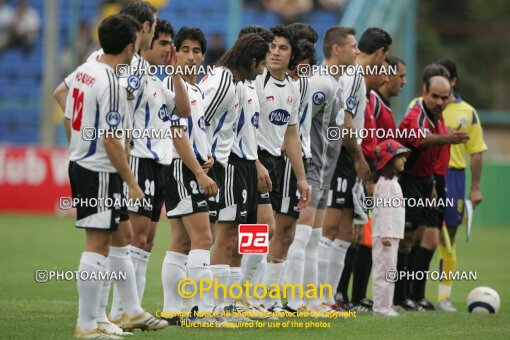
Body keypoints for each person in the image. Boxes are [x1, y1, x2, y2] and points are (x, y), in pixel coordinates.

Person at [60, 14, 159, 338]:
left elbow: (61, 97)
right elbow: (111, 139)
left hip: (87, 163)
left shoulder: (85, 70)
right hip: (100, 169)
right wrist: (132, 183)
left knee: (120, 236)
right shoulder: (112, 83)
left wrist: (75, 143)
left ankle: (106, 316)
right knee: (96, 244)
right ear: (130, 46)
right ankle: (87, 323)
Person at [321, 27, 392, 311]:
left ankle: (331, 297)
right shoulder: (353, 77)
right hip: (341, 157)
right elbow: (345, 124)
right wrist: (359, 159)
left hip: (346, 157)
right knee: (328, 228)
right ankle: (318, 297)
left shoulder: (354, 76)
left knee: (347, 231)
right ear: (381, 53)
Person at [246, 25, 311, 311]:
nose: (274, 51)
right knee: (258, 232)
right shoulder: (256, 80)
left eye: (282, 48)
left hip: (276, 162)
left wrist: (301, 178)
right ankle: (244, 297)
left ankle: (260, 299)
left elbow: (291, 135)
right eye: (271, 46)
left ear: (292, 55)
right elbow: (243, 126)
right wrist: (256, 162)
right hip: (252, 158)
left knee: (270, 233)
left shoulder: (293, 88)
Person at [394, 64, 469, 311]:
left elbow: (436, 154)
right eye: (435, 96)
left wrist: (435, 183)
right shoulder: (414, 116)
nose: (439, 101)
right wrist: (448, 138)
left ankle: (415, 295)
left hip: (428, 183)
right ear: (424, 92)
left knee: (422, 240)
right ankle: (400, 297)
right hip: (409, 183)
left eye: (444, 97)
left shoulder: (438, 118)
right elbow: (421, 141)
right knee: (406, 240)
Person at [160, 26, 221, 325]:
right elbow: (175, 132)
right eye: (185, 50)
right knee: (205, 237)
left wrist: (206, 155)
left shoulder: (196, 90)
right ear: (174, 52)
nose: (191, 56)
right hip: (181, 168)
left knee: (183, 242)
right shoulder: (172, 87)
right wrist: (198, 171)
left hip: (195, 167)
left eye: (197, 51)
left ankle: (174, 310)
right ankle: (204, 309)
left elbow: (196, 131)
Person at [433, 60, 487, 311]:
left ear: (453, 81)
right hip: (425, 176)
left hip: (454, 177)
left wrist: (475, 187)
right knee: (414, 236)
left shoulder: (468, 112)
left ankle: (444, 296)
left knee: (448, 237)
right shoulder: (418, 105)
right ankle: (405, 295)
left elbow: (476, 151)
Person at [371, 139, 409, 317]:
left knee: (390, 272)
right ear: (389, 160)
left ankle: (387, 305)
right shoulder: (386, 184)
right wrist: (386, 234)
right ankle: (381, 308)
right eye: (400, 157)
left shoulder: (392, 182)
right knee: (384, 272)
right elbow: (385, 210)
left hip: (392, 235)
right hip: (385, 236)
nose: (404, 160)